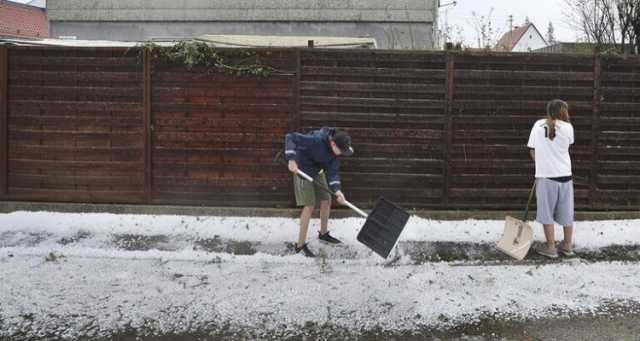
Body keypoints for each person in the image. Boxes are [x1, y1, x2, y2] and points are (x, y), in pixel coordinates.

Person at [284, 127, 354, 257]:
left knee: (326, 200)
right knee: (310, 205)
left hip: (317, 170)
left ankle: (323, 234)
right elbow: (291, 136)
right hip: (302, 169)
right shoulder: (316, 140)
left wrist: (338, 191)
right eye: (341, 150)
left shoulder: (334, 153)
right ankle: (300, 246)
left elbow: (333, 173)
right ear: (333, 143)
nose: (341, 153)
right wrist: (291, 159)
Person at [527, 99, 575, 259]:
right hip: (566, 175)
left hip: (546, 176)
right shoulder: (568, 127)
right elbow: (566, 147)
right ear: (564, 111)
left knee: (546, 212)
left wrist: (540, 164)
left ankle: (551, 248)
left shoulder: (538, 125)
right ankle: (567, 246)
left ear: (549, 111)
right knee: (567, 212)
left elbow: (532, 149)